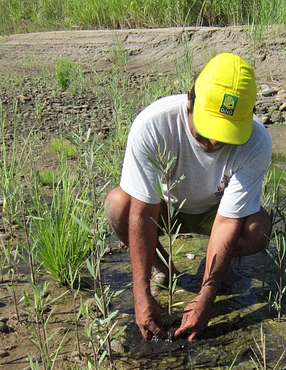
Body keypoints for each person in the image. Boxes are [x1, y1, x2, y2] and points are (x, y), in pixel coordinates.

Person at [105, 52, 272, 341]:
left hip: (214, 212)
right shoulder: (153, 125)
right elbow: (143, 212)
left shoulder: (256, 142)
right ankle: (163, 269)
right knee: (118, 204)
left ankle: (217, 269)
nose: (215, 141)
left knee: (259, 228)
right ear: (190, 99)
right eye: (208, 129)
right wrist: (140, 293)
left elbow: (227, 221)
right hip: (165, 209)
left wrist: (208, 292)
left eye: (227, 133)